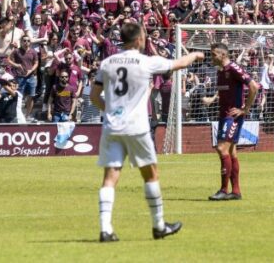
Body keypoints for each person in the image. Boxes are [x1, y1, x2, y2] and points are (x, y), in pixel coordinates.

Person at [90, 22, 205, 241]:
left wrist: (112, 111)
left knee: (110, 177)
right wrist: (196, 55)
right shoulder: (146, 62)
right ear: (138, 40)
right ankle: (159, 226)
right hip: (137, 127)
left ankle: (105, 229)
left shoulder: (107, 63)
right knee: (150, 175)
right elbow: (178, 63)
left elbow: (95, 97)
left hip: (112, 126)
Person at [208, 42, 260, 201]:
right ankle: (236, 192)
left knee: (222, 148)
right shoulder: (221, 71)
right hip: (224, 116)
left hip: (233, 117)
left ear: (223, 55)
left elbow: (254, 86)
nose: (211, 57)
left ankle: (224, 190)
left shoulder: (234, 69)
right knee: (231, 152)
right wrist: (213, 98)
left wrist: (245, 108)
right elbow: (226, 90)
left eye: (213, 54)